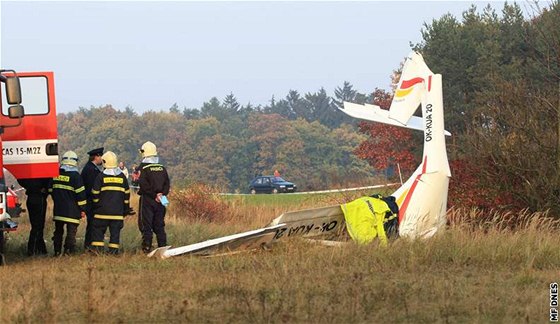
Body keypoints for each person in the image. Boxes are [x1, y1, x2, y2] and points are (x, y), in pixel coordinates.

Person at [90, 151, 130, 254]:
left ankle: (97, 252)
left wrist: (96, 205)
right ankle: (113, 252)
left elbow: (95, 193)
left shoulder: (101, 177)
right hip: (117, 214)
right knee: (115, 234)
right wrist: (125, 210)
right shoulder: (122, 177)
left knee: (98, 233)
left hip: (101, 213)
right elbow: (126, 196)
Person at [49, 151, 87, 256]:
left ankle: (57, 252)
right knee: (71, 233)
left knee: (58, 232)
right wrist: (83, 209)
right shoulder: (76, 176)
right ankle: (68, 253)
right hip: (72, 212)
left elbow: (50, 189)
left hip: (59, 210)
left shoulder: (55, 174)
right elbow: (81, 195)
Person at [137, 141, 170, 253]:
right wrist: (162, 194)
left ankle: (147, 247)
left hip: (148, 199)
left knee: (147, 224)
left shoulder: (144, 169)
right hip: (162, 200)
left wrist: (153, 195)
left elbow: (143, 185)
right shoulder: (162, 168)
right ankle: (163, 246)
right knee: (159, 224)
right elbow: (167, 183)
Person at [18, 178, 50, 256]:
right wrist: (44, 189)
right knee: (38, 226)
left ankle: (41, 249)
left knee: (35, 225)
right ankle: (32, 250)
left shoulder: (26, 171)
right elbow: (49, 181)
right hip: (40, 197)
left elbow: (20, 179)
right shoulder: (44, 170)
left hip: (30, 198)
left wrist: (29, 187)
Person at [81, 147, 103, 248]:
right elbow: (91, 188)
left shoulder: (91, 168)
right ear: (96, 157)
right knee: (92, 225)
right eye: (100, 156)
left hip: (91, 202)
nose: (102, 159)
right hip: (91, 202)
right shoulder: (90, 170)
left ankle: (90, 245)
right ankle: (89, 246)